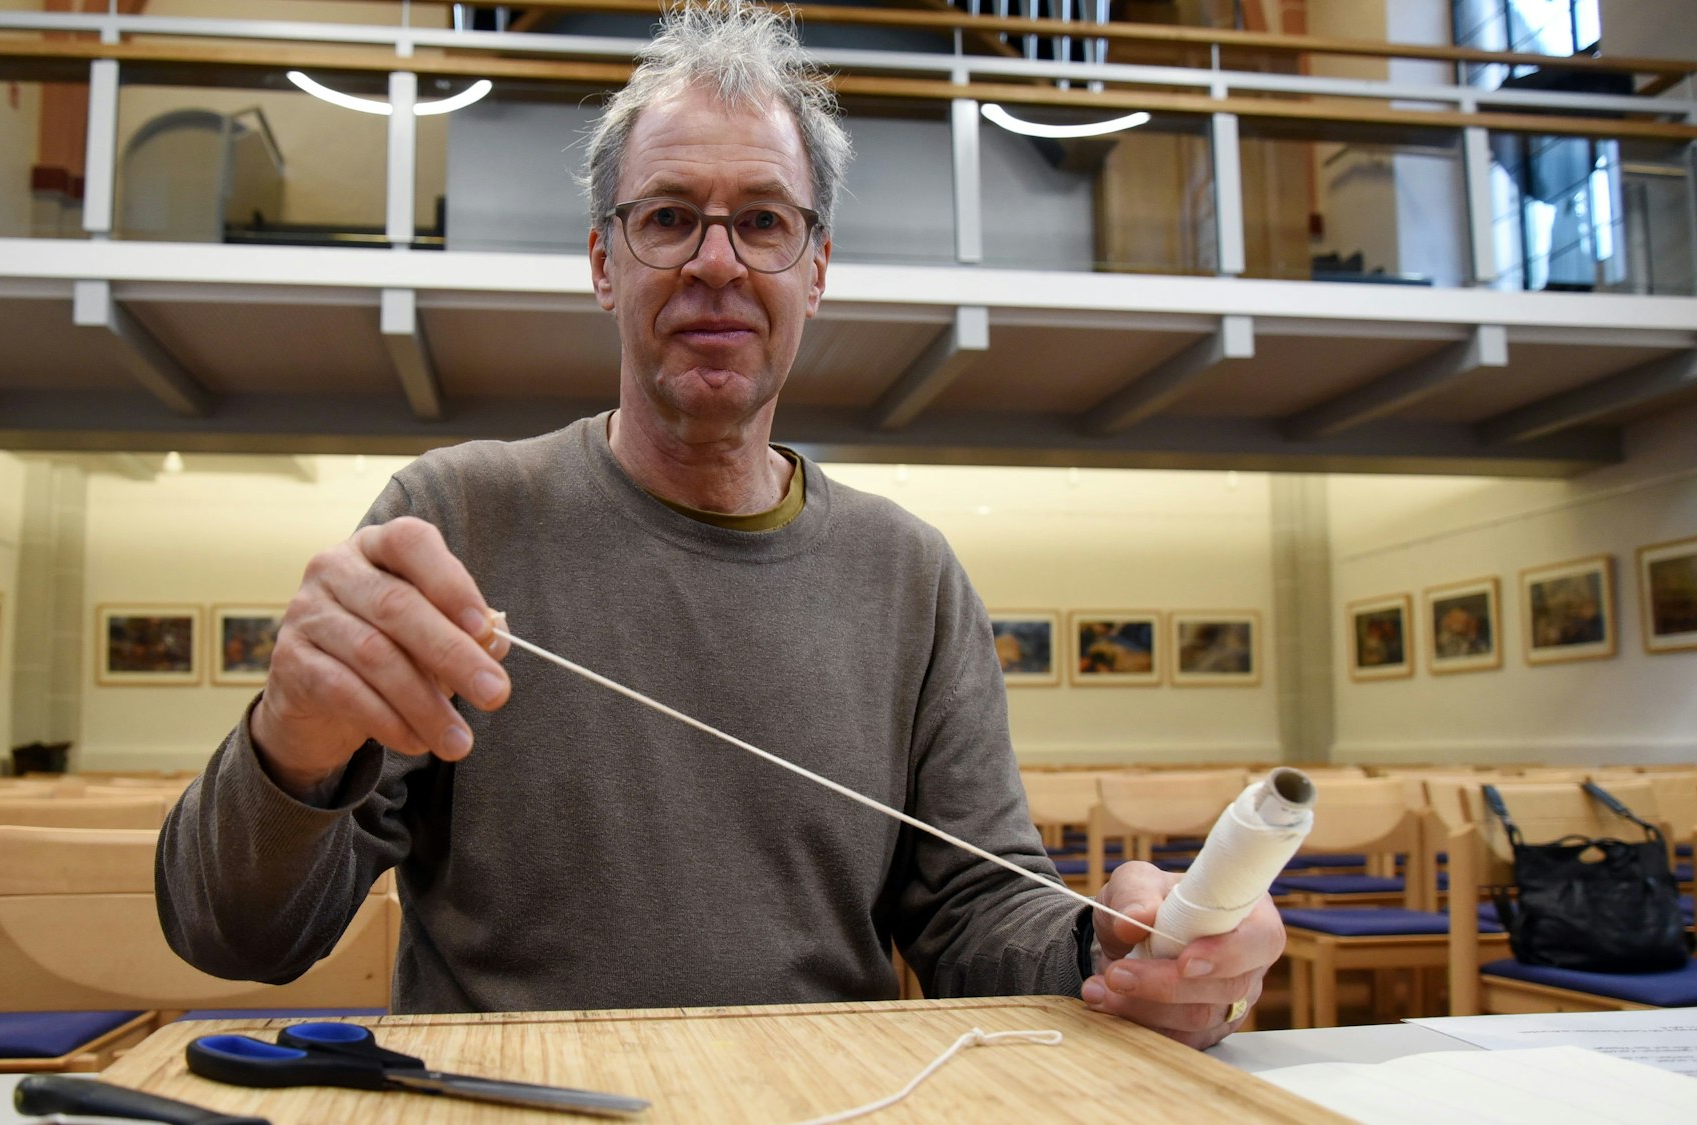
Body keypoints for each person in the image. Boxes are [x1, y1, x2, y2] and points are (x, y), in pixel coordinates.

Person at [156, 0, 1281, 1049]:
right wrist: (291, 740)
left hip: (824, 1103)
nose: (715, 262)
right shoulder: (451, 522)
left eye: (761, 221)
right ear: (603, 262)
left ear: (815, 269)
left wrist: (1122, 953)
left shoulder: (910, 575)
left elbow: (975, 913)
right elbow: (234, 935)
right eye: (667, 218)